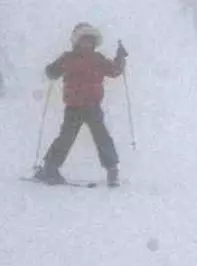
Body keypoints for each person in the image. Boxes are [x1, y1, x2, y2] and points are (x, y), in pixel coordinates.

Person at [34, 23, 128, 187]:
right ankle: (51, 167)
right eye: (84, 41)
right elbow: (53, 71)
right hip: (74, 107)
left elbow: (114, 71)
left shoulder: (95, 59)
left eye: (90, 41)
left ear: (94, 43)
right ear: (77, 42)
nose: (87, 44)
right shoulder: (69, 58)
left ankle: (112, 170)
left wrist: (120, 58)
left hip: (91, 106)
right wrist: (52, 70)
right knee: (67, 138)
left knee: (101, 137)